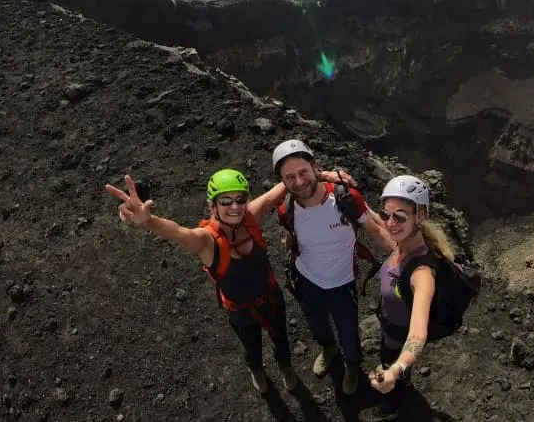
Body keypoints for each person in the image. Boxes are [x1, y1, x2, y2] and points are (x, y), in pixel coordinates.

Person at [104, 168, 354, 395]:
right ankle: (256, 370)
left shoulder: (250, 218)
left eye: (240, 199)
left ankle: (286, 368)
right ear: (213, 205)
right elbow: (179, 232)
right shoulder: (207, 241)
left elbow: (272, 194)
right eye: (225, 201)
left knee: (281, 338)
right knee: (251, 345)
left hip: (270, 297)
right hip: (240, 309)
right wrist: (148, 221)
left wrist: (317, 174)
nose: (234, 207)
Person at [272, 139, 393, 395]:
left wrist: (410, 259)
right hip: (307, 280)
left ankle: (351, 366)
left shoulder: (344, 199)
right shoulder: (287, 208)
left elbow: (376, 233)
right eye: (290, 177)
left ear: (316, 168)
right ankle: (329, 349)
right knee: (317, 325)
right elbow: (290, 237)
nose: (299, 181)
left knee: (349, 332)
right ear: (282, 182)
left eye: (303, 172)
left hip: (342, 283)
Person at [359, 175, 454, 421]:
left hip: (398, 336)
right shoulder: (402, 242)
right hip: (390, 326)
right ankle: (402, 382)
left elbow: (417, 334)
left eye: (400, 216)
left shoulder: (422, 273)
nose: (391, 223)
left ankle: (390, 407)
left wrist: (396, 369)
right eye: (386, 214)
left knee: (392, 371)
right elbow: (380, 227)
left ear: (419, 216)